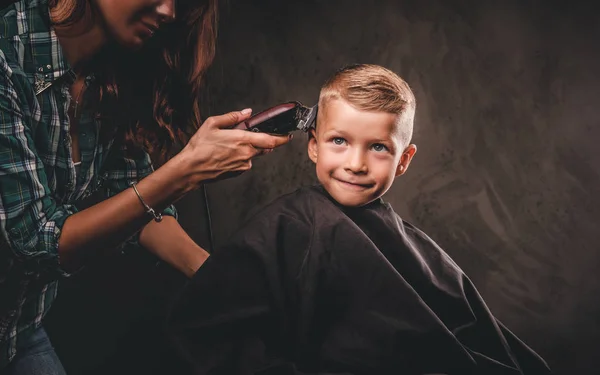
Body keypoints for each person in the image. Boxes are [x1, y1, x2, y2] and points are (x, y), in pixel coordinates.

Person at [167, 64, 553, 375]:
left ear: (404, 160)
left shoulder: (415, 248)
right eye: (339, 141)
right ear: (313, 145)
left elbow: (471, 335)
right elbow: (208, 328)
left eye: (378, 148)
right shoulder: (289, 227)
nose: (355, 163)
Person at [0, 0, 292, 373]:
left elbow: (137, 198)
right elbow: (38, 242)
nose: (169, 11)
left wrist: (222, 281)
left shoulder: (106, 72)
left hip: (20, 330)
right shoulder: (8, 59)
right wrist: (186, 171)